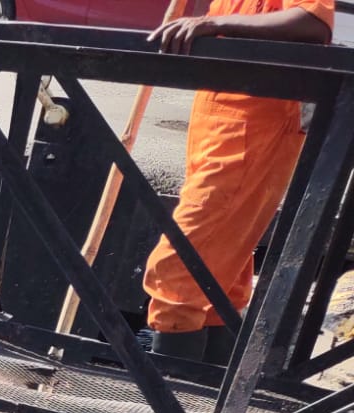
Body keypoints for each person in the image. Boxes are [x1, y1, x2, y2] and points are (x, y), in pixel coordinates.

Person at [142, 0, 333, 362]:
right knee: (219, 273)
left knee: (179, 267)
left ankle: (167, 390)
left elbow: (314, 22)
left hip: (256, 125)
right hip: (221, 120)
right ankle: (204, 388)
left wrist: (213, 24)